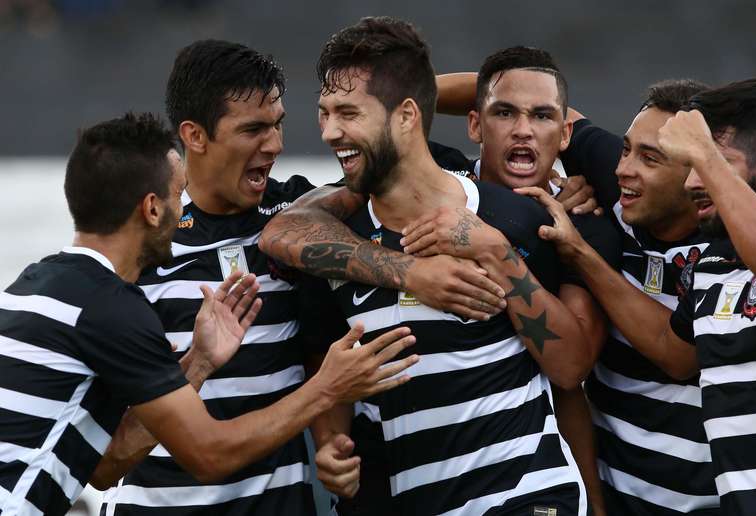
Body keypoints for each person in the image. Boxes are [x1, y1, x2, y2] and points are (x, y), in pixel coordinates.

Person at [96, 40, 497, 516]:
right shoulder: (138, 252)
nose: (276, 145)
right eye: (253, 129)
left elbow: (497, 102)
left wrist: (330, 445)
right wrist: (197, 367)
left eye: (278, 124)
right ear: (195, 136)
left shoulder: (305, 216)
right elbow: (103, 467)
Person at [0, 112, 416, 516]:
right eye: (177, 194)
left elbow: (106, 467)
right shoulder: (111, 309)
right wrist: (326, 388)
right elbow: (209, 456)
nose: (184, 211)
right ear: (151, 209)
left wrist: (197, 363)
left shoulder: (35, 285)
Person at [265, 16, 592, 515]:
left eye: (349, 113)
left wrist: (499, 256)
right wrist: (331, 442)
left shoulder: (515, 217)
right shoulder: (334, 238)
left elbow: (569, 369)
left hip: (525, 495)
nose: (331, 132)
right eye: (324, 113)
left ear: (406, 116)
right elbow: (326, 356)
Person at [400, 45, 621, 516]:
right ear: (475, 125)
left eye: (541, 117)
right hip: (404, 469)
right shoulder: (428, 181)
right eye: (504, 113)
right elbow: (382, 111)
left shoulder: (585, 225)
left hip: (524, 484)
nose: (523, 130)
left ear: (565, 135)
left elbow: (568, 373)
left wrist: (494, 252)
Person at [520, 79, 724, 516]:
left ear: (699, 175)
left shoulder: (730, 247)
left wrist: (580, 252)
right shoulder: (621, 186)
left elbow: (678, 356)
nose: (623, 169)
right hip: (610, 499)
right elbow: (518, 89)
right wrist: (400, 97)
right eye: (626, 149)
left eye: (649, 158)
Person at [659, 77, 756, 515]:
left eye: (715, 163)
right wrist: (580, 255)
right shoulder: (711, 264)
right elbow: (673, 357)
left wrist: (704, 152)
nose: (692, 182)